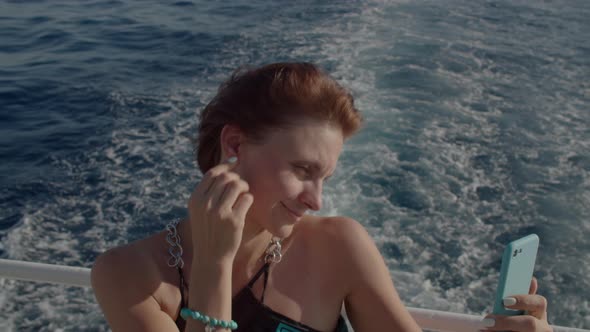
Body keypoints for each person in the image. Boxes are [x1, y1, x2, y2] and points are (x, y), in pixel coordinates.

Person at [91, 62, 553, 332]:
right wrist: (213, 265)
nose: (316, 200)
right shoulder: (130, 275)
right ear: (235, 146)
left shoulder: (339, 246)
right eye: (302, 170)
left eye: (325, 178)